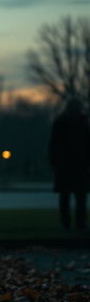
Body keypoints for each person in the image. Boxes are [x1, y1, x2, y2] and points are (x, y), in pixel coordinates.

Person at [48, 97, 90, 230]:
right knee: (73, 196)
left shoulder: (63, 122)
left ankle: (74, 223)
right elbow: (54, 145)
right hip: (69, 165)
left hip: (73, 165)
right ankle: (73, 223)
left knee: (75, 197)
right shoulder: (78, 122)